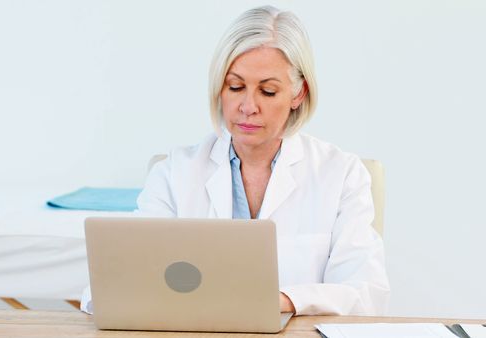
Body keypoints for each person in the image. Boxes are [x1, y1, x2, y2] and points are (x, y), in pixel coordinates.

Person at [81, 5, 389, 316]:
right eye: (236, 87)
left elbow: (366, 293)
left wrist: (280, 301)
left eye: (268, 91)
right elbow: (112, 286)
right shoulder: (175, 173)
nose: (248, 106)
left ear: (298, 94)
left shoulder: (341, 174)